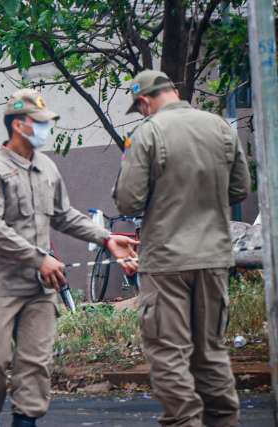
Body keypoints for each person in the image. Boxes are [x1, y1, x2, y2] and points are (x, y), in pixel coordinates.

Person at [0, 89, 138, 427]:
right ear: (17, 125)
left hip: (39, 290)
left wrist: (106, 239)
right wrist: (38, 258)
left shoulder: (46, 167)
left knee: (34, 369)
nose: (46, 128)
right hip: (0, 287)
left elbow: (63, 215)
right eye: (39, 122)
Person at [114, 70, 251, 427]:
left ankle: (185, 423)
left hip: (166, 263)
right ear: (173, 91)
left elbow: (129, 201)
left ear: (143, 102)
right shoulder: (220, 127)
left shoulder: (147, 133)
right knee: (211, 353)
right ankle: (224, 421)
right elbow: (239, 190)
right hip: (214, 257)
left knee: (169, 354)